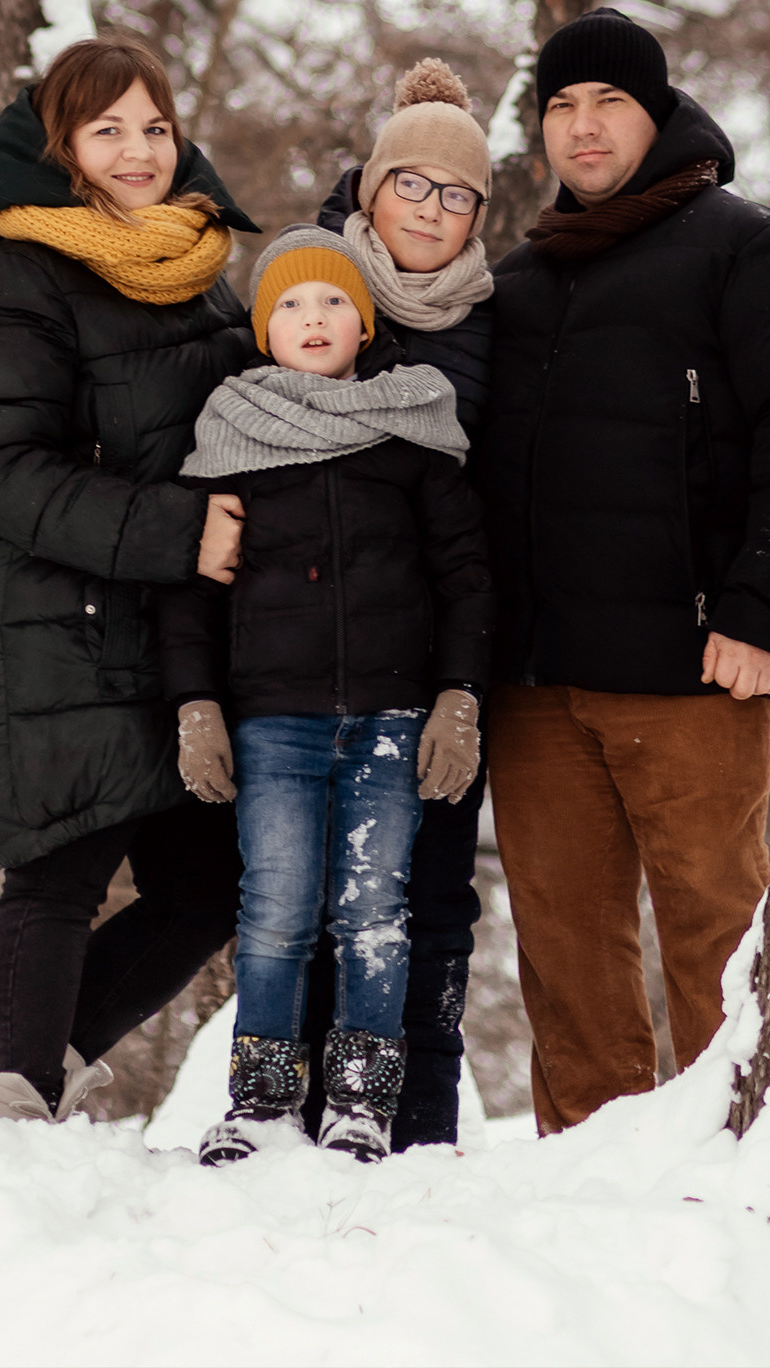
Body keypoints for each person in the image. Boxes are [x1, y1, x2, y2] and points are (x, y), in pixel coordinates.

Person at [474, 6, 770, 1135]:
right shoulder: (520, 281)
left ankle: (734, 1165)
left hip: (692, 669)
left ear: (659, 112)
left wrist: (764, 613)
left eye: (610, 102)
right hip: (536, 683)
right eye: (561, 106)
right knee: (564, 957)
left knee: (718, 939)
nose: (583, 127)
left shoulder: (754, 247)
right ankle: (587, 1179)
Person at [0, 36, 256, 1123]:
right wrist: (182, 531)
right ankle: (14, 1103)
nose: (138, 150)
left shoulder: (204, 279)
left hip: (183, 629)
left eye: (155, 127)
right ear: (61, 148)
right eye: (107, 129)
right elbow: (2, 473)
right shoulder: (20, 281)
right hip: (59, 620)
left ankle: (43, 1065)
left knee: (215, 882)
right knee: (64, 868)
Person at [158, 223, 495, 1165]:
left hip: (393, 721)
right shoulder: (231, 439)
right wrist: (196, 705)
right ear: (264, 329)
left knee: (375, 914)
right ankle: (261, 1105)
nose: (314, 317)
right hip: (274, 724)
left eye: (335, 300)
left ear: (365, 323)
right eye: (292, 304)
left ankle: (361, 1106)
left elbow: (467, 578)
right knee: (275, 913)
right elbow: (191, 595)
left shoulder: (413, 434)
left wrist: (459, 697)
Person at [300, 58, 497, 1147]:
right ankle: (294, 1109)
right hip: (306, 643)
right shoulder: (310, 289)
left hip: (438, 649)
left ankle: (420, 1125)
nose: (429, 209)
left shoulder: (496, 320)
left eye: (455, 194)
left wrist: (466, 676)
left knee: (434, 894)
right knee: (307, 892)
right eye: (410, 185)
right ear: (372, 189)